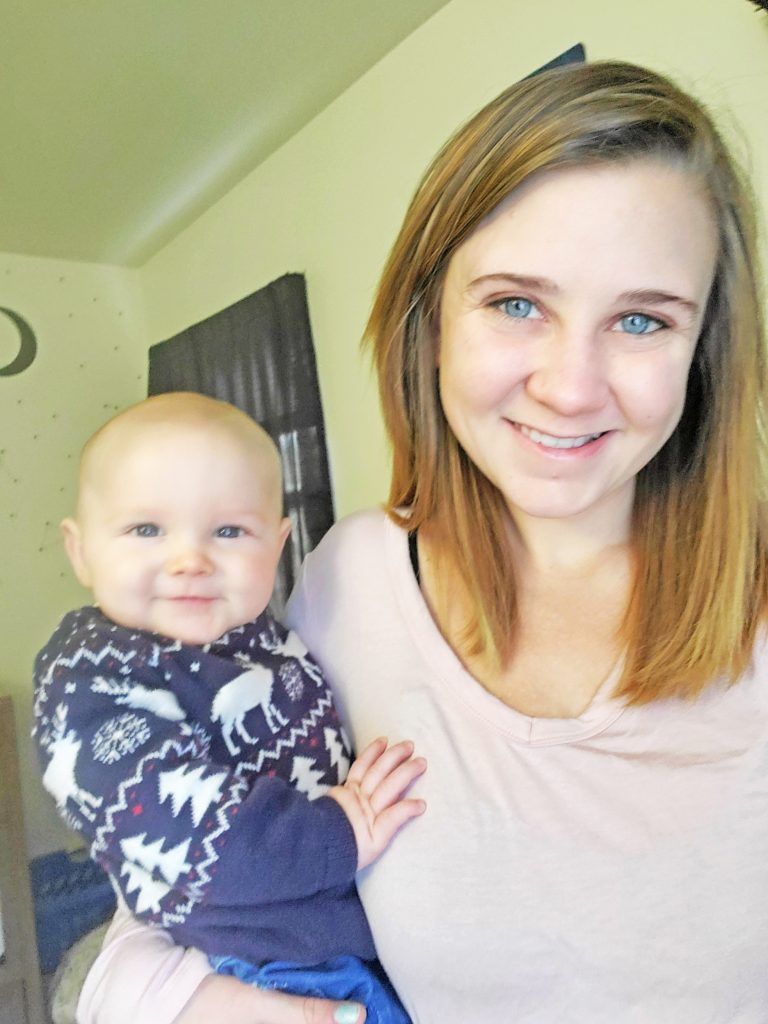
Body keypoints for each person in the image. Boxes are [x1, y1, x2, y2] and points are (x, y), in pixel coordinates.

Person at [77, 59, 768, 1024]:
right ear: (430, 319)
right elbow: (164, 901)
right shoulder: (349, 580)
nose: (571, 387)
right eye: (517, 303)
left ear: (705, 354)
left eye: (642, 319)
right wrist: (199, 1003)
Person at [32, 392, 425, 1024]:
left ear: (277, 544)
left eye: (229, 531)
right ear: (80, 552)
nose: (190, 561)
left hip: (335, 936)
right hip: (256, 963)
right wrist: (337, 833)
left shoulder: (258, 638)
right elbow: (177, 821)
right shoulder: (92, 675)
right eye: (146, 529)